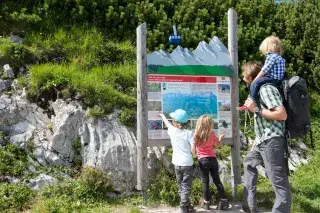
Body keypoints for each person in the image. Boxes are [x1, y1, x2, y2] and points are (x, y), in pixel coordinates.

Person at [241, 61, 291, 213]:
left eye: (244, 76)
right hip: (263, 139)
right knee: (249, 162)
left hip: (272, 140)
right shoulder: (258, 90)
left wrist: (255, 109)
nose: (243, 79)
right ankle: (250, 206)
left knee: (278, 181)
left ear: (251, 77)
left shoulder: (266, 89)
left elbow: (281, 114)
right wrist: (256, 140)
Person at [159, 109, 194, 213]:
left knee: (180, 185)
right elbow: (193, 149)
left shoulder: (172, 130)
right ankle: (183, 207)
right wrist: (194, 155)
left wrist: (162, 115)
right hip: (187, 163)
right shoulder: (189, 133)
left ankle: (186, 206)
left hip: (176, 163)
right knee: (186, 186)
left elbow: (167, 123)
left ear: (176, 122)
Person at [191, 115, 229, 210]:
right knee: (217, 180)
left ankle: (206, 203)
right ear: (209, 124)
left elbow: (193, 148)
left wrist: (194, 155)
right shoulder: (211, 134)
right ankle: (224, 200)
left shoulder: (196, 135)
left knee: (205, 181)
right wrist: (220, 138)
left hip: (202, 160)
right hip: (212, 159)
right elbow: (217, 145)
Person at [238, 35, 285, 110]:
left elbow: (265, 69)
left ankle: (251, 102)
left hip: (273, 78)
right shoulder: (279, 57)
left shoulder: (272, 57)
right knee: (257, 83)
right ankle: (251, 101)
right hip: (277, 79)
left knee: (256, 83)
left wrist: (256, 79)